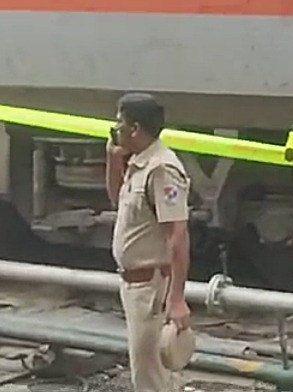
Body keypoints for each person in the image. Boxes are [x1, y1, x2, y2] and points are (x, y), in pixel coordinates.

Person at [106, 92, 192, 392]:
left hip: (151, 287)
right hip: (134, 285)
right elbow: (117, 199)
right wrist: (113, 160)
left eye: (120, 122)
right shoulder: (138, 163)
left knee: (149, 375)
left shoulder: (161, 169)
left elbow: (177, 235)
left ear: (135, 128)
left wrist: (177, 298)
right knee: (146, 370)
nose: (115, 128)